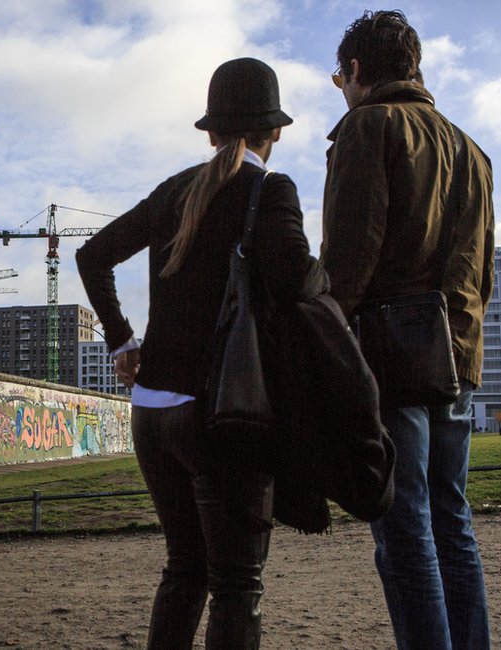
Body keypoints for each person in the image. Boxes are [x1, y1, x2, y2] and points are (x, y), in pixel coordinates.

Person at [76, 58, 325, 649]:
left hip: (153, 414)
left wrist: (122, 339)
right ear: (278, 131)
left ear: (211, 132)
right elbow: (297, 280)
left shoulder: (175, 190)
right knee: (237, 584)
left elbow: (92, 257)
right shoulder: (271, 191)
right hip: (222, 414)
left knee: (184, 569)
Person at [320, 10, 495, 650]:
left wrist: (323, 341)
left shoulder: (369, 128)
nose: (341, 87)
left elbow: (348, 258)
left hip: (393, 352)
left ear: (358, 70)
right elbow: (480, 267)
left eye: (340, 76)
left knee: (404, 525)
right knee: (453, 519)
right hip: (457, 354)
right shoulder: (472, 151)